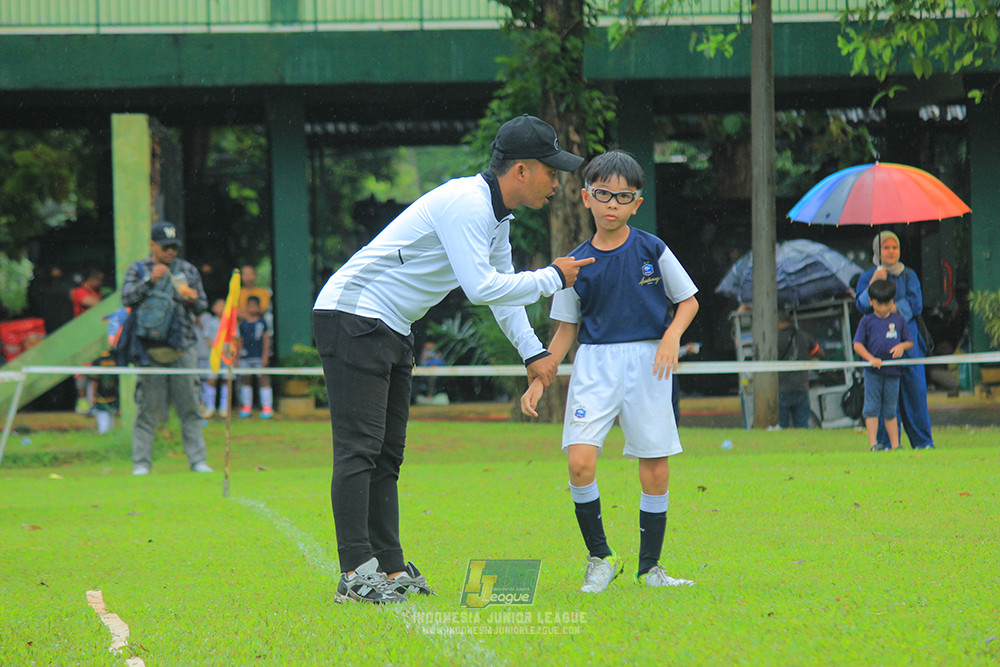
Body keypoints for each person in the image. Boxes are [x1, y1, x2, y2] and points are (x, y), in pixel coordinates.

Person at [312, 114, 593, 604]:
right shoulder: (467, 204)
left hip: (391, 325)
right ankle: (356, 571)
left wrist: (534, 352)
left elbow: (503, 293)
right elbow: (482, 287)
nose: (557, 180)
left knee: (387, 454)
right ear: (521, 171)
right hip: (352, 314)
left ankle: (391, 568)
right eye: (551, 169)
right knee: (360, 448)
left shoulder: (496, 216)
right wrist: (553, 276)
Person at [521, 150, 699, 593]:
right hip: (595, 364)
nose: (612, 204)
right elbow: (565, 330)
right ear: (586, 197)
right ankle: (601, 557)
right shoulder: (574, 263)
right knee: (580, 463)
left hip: (649, 363)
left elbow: (688, 301)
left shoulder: (652, 249)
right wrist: (540, 380)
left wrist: (672, 335)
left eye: (623, 196)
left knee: (655, 469)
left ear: (637, 203)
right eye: (603, 194)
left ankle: (650, 568)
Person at [121, 222, 213, 475]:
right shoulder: (138, 269)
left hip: (183, 346)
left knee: (191, 407)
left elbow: (202, 305)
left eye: (174, 247)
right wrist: (150, 280)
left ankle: (198, 461)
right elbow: (126, 298)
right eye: (165, 247)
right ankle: (141, 463)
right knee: (147, 409)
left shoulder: (187, 269)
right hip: (150, 349)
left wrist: (193, 300)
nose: (170, 252)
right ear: (153, 245)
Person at [855, 231, 935, 449]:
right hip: (879, 348)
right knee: (883, 396)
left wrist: (892, 307)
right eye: (886, 248)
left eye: (895, 247)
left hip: (908, 345)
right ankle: (885, 443)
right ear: (877, 251)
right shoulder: (867, 276)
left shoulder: (909, 275)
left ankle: (923, 442)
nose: (891, 252)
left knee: (915, 393)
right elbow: (861, 305)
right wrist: (875, 281)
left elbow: (916, 305)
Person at [852, 279, 914, 451]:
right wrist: (870, 359)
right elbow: (857, 344)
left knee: (890, 409)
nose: (884, 307)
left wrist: (902, 346)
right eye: (879, 303)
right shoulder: (866, 321)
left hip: (893, 372)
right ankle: (873, 444)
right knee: (871, 408)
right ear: (871, 302)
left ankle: (896, 444)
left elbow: (909, 342)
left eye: (888, 303)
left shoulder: (898, 320)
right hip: (873, 373)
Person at [776, 307, 824, 429]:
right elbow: (819, 353)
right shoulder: (803, 336)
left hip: (782, 388)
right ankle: (802, 445)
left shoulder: (775, 339)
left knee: (782, 426)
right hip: (802, 386)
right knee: (802, 426)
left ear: (777, 322)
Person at [236, 295, 273, 419]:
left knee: (263, 379)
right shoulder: (243, 324)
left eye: (254, 306)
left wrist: (265, 355)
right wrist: (237, 357)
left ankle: (267, 407)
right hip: (246, 356)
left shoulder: (262, 322)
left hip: (258, 356)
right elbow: (239, 340)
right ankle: (247, 406)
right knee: (246, 380)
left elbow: (266, 339)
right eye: (249, 305)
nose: (252, 308)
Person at [197, 298, 230, 418]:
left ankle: (224, 408)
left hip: (226, 356)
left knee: (226, 381)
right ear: (214, 309)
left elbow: (235, 338)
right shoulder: (210, 322)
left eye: (224, 305)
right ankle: (209, 407)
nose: (222, 308)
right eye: (219, 306)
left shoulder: (230, 322)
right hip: (214, 356)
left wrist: (227, 350)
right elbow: (207, 338)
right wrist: (216, 349)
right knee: (211, 380)